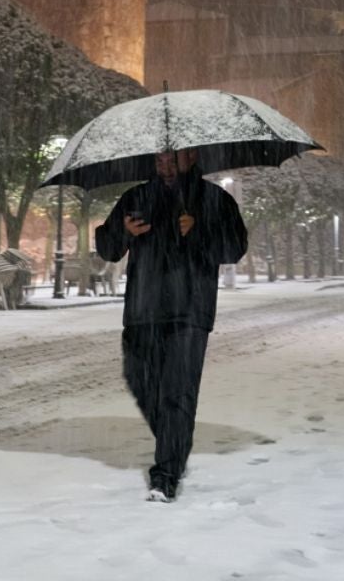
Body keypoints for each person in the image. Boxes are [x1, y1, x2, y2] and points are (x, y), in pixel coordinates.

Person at [95, 149, 248, 502]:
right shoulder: (136, 197)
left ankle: (165, 475)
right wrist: (122, 230)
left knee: (177, 393)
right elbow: (107, 248)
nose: (164, 164)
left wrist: (199, 230)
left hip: (189, 311)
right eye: (159, 159)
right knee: (140, 381)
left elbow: (234, 247)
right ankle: (174, 440)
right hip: (141, 310)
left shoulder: (213, 199)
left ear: (192, 156)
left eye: (172, 158)